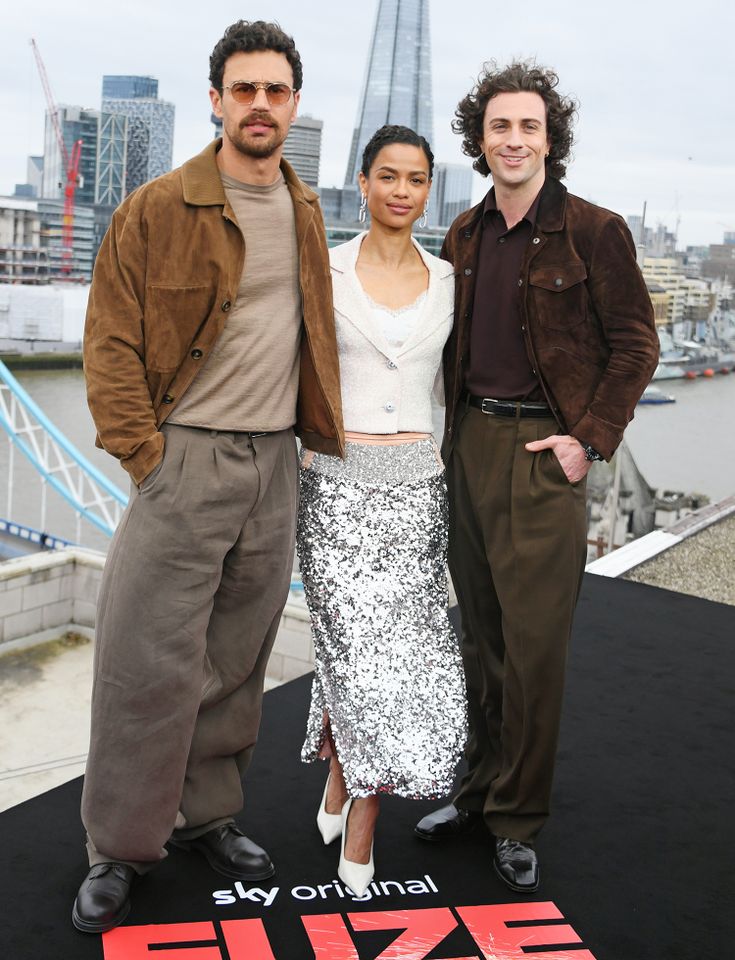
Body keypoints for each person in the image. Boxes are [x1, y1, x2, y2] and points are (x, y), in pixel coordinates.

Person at [73, 20, 343, 934]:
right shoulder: (156, 208)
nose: (260, 105)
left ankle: (207, 818)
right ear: (218, 100)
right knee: (146, 664)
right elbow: (108, 342)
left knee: (236, 661)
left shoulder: (306, 211)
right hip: (184, 456)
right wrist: (146, 457)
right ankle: (120, 845)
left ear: (293, 105)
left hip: (275, 463)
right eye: (244, 89)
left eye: (276, 91)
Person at [415, 61, 659, 892]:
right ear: (477, 141)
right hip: (467, 450)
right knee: (478, 641)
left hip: (539, 459)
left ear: (550, 138)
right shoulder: (462, 235)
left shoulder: (595, 231)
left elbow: (635, 348)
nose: (512, 140)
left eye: (528, 126)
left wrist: (584, 442)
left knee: (533, 651)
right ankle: (478, 793)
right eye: (498, 127)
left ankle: (518, 818)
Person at [297, 125, 467, 896]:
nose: (402, 191)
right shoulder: (321, 270)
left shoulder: (449, 280)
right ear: (361, 183)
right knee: (359, 658)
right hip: (333, 489)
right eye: (388, 176)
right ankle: (361, 827)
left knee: (393, 664)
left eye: (417, 179)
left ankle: (341, 782)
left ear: (429, 190)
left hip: (415, 493)